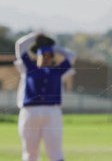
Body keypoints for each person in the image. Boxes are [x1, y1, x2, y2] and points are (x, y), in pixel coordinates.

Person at [14, 32, 76, 161]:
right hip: (30, 112)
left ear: (53, 57)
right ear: (37, 56)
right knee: (30, 153)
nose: (46, 58)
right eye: (43, 55)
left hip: (52, 112)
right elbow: (20, 45)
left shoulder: (57, 71)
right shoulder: (28, 68)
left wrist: (52, 47)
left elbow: (71, 55)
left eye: (49, 55)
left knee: (55, 151)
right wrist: (36, 36)